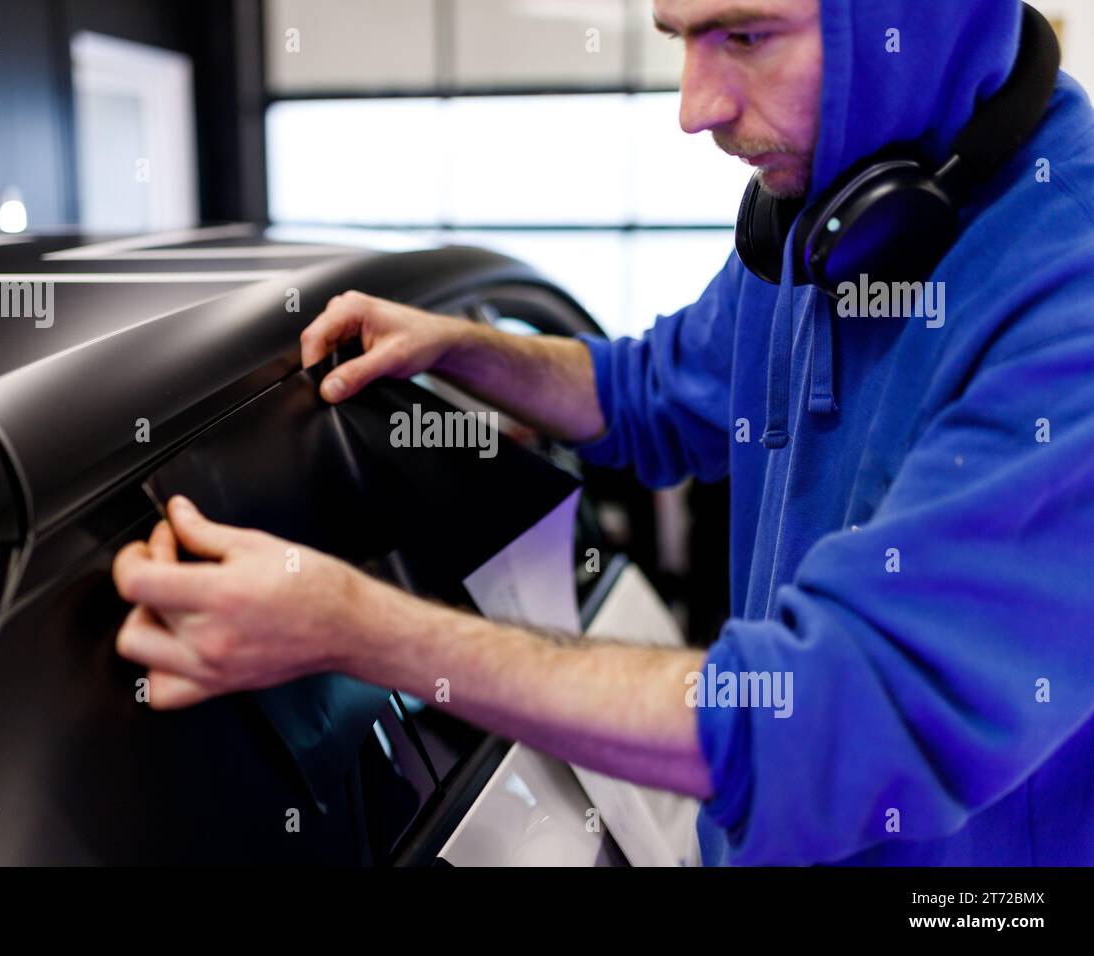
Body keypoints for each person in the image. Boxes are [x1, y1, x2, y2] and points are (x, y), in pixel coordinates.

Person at [111, 0, 1094, 865]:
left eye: (745, 34)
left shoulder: (1066, 293)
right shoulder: (836, 212)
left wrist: (354, 627)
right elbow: (657, 390)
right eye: (678, 37)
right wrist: (466, 348)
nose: (693, 106)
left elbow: (832, 710)